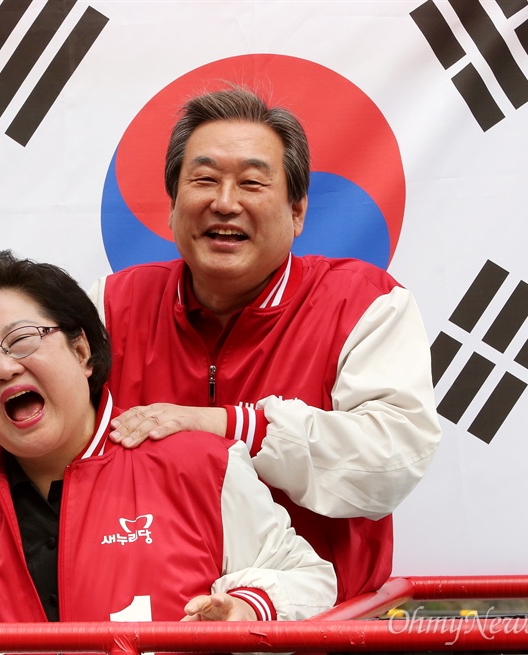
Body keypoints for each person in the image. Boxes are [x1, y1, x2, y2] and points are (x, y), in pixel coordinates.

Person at [88, 86, 443, 602]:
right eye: (204, 180)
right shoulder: (110, 305)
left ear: (297, 212)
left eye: (252, 183)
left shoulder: (365, 303)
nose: (224, 203)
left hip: (323, 628)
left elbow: (391, 461)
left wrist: (234, 426)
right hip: (153, 625)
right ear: (171, 206)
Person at [0, 250, 335, 626]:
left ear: (81, 351)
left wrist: (246, 608)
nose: (4, 368)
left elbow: (309, 580)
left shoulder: (199, 465)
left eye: (22, 340)